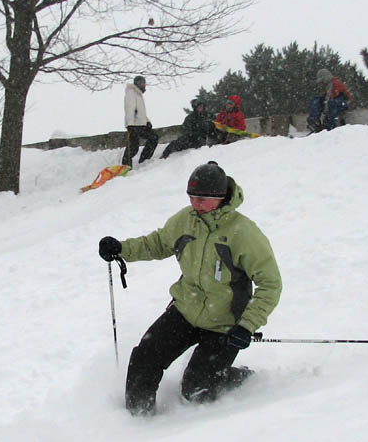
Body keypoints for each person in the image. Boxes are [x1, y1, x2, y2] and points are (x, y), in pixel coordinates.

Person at [98, 161, 282, 415]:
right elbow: (157, 244)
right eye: (192, 197)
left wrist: (247, 325)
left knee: (196, 390)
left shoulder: (244, 233)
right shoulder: (185, 221)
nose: (196, 204)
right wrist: (121, 249)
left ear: (220, 197)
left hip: (224, 325)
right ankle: (136, 421)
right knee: (145, 358)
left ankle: (231, 376)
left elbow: (271, 284)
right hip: (186, 310)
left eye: (202, 199)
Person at [121, 75, 158, 167]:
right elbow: (130, 109)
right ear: (137, 83)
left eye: (144, 83)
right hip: (134, 125)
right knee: (133, 147)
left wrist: (147, 121)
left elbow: (140, 112)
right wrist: (130, 125)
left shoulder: (138, 94)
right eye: (142, 83)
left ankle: (144, 160)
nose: (144, 85)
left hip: (141, 124)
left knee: (153, 138)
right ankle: (126, 166)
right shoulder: (131, 92)